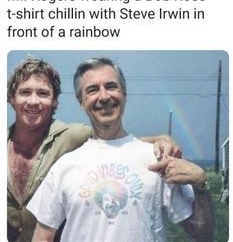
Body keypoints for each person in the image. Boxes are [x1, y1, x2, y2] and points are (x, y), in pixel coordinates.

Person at [27, 57, 214, 242]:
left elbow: (202, 234)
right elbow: (43, 237)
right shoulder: (64, 166)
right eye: (92, 90)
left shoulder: (159, 159)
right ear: (81, 101)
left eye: (111, 86)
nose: (104, 96)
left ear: (124, 93)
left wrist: (201, 185)